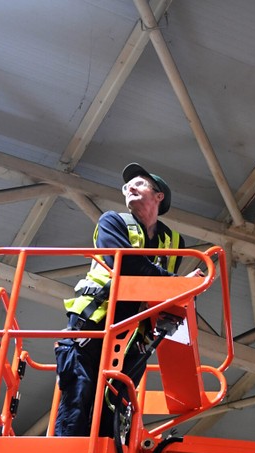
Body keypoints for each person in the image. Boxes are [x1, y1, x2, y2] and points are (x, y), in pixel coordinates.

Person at [54, 162, 197, 437]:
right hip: (96, 321)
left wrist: (180, 289)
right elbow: (125, 266)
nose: (129, 187)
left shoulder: (175, 242)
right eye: (127, 186)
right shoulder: (113, 221)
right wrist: (178, 284)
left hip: (136, 335)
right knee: (80, 392)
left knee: (117, 404)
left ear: (159, 196)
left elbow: (164, 293)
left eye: (139, 183)